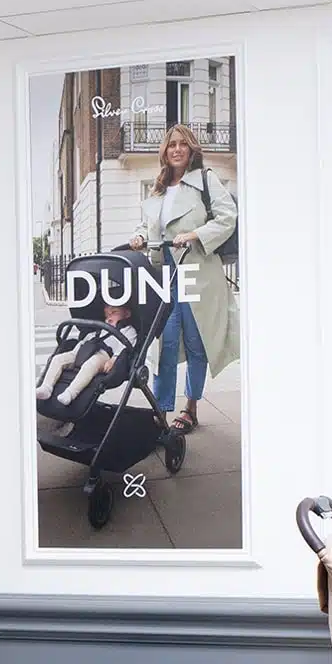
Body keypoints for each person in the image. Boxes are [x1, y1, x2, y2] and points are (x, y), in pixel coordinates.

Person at [129, 124, 238, 434]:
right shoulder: (158, 189)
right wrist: (138, 236)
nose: (176, 149)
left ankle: (190, 407)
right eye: (171, 145)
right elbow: (146, 225)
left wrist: (196, 234)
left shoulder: (205, 180)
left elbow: (227, 216)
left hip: (196, 272)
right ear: (165, 151)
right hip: (164, 275)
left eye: (182, 144)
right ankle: (161, 411)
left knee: (195, 343)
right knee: (165, 342)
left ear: (191, 150)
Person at [34, 302, 137, 406]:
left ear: (127, 314)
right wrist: (75, 352)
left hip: (104, 355)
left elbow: (126, 347)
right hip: (84, 350)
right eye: (107, 314)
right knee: (58, 359)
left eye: (114, 312)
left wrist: (114, 359)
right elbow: (88, 338)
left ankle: (70, 393)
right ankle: (46, 387)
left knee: (91, 364)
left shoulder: (128, 331)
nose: (109, 316)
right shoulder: (101, 328)